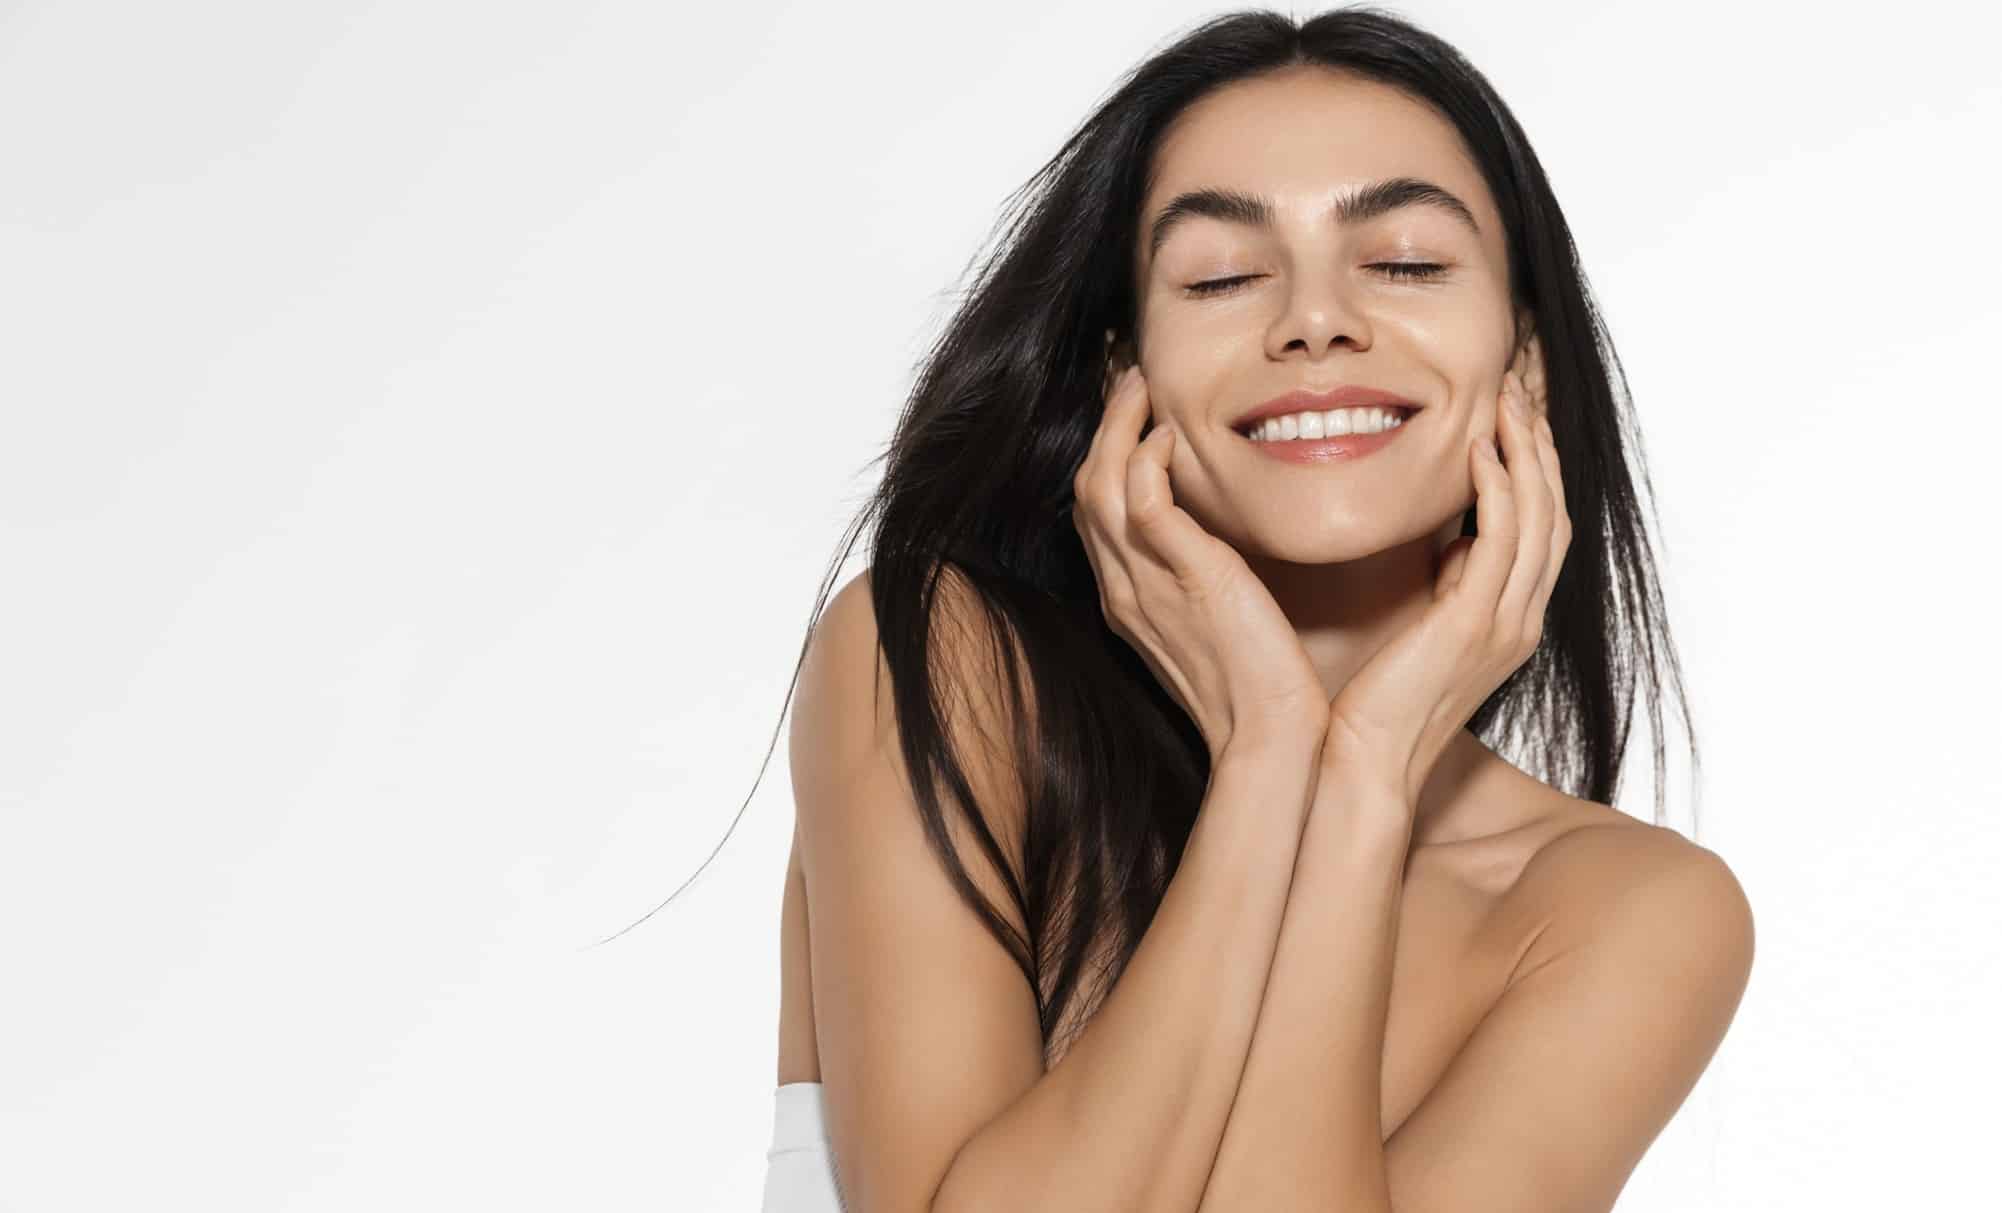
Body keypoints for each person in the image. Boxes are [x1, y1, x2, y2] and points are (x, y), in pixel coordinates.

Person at [760, 7, 1754, 1210]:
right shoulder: (939, 663)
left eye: (1405, 261)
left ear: (1526, 360)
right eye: (1222, 276)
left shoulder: (1621, 911)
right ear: (1126, 371)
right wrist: (1269, 750)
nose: (1314, 319)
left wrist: (1358, 779)